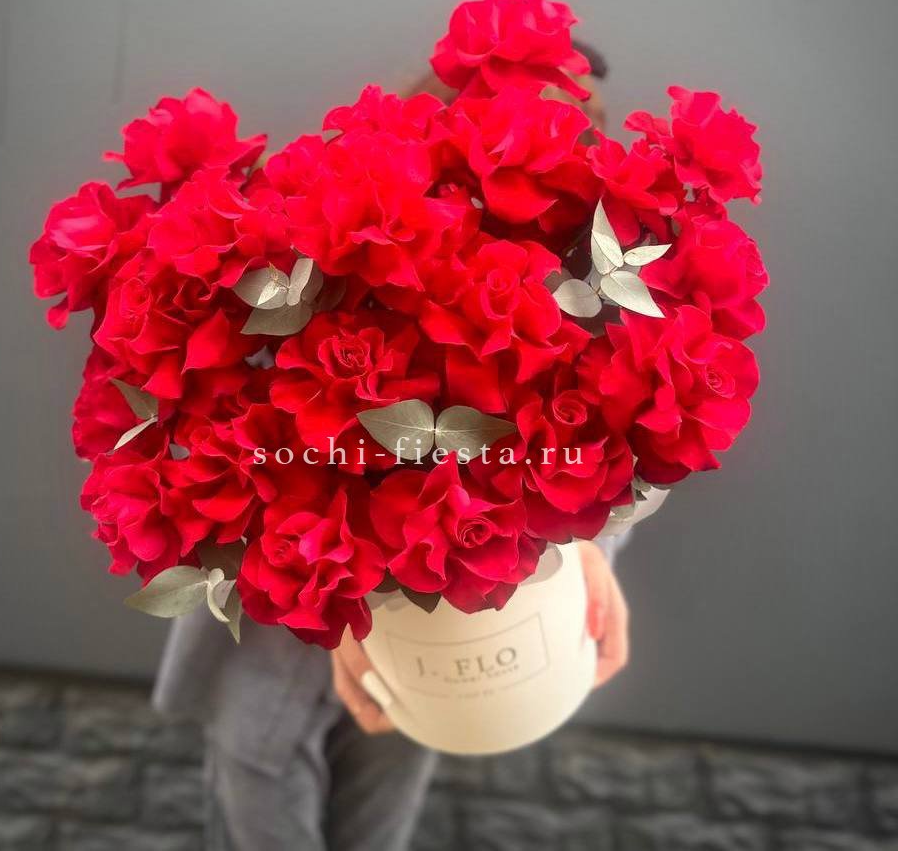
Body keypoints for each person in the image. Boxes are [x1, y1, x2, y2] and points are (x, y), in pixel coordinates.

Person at [152, 45, 630, 851]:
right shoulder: (334, 242)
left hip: (435, 646)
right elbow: (251, 417)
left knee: (380, 812)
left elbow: (625, 443)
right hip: (276, 634)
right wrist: (342, 590)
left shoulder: (588, 284)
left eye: (560, 133)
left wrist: (588, 541)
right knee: (255, 787)